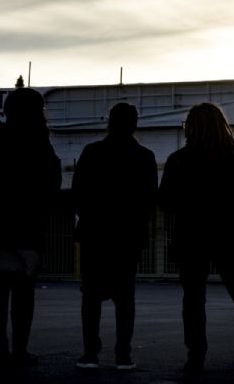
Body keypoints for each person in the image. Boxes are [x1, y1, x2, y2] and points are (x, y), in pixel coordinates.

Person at [158, 103, 234, 380]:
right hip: (231, 235)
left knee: (193, 301)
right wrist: (232, 207)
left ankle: (195, 356)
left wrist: (191, 206)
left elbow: (165, 201)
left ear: (190, 127)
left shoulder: (179, 160)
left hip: (192, 237)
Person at [0, 81, 62, 368]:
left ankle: (0, 350)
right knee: (24, 290)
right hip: (27, 224)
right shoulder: (39, 140)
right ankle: (20, 350)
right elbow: (52, 181)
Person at [72, 102, 158, 370]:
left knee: (91, 296)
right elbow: (149, 200)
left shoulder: (91, 152)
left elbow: (78, 194)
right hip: (127, 237)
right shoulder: (144, 156)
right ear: (135, 124)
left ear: (108, 122)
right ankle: (123, 354)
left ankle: (90, 353)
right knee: (125, 297)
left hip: (95, 234)